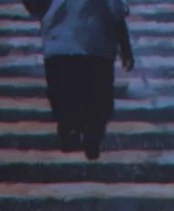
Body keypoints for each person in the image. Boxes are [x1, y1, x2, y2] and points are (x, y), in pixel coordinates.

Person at [24, 0, 135, 161]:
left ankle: (69, 127)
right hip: (95, 45)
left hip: (59, 43)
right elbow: (116, 12)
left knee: (62, 92)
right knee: (98, 96)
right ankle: (93, 133)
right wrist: (125, 48)